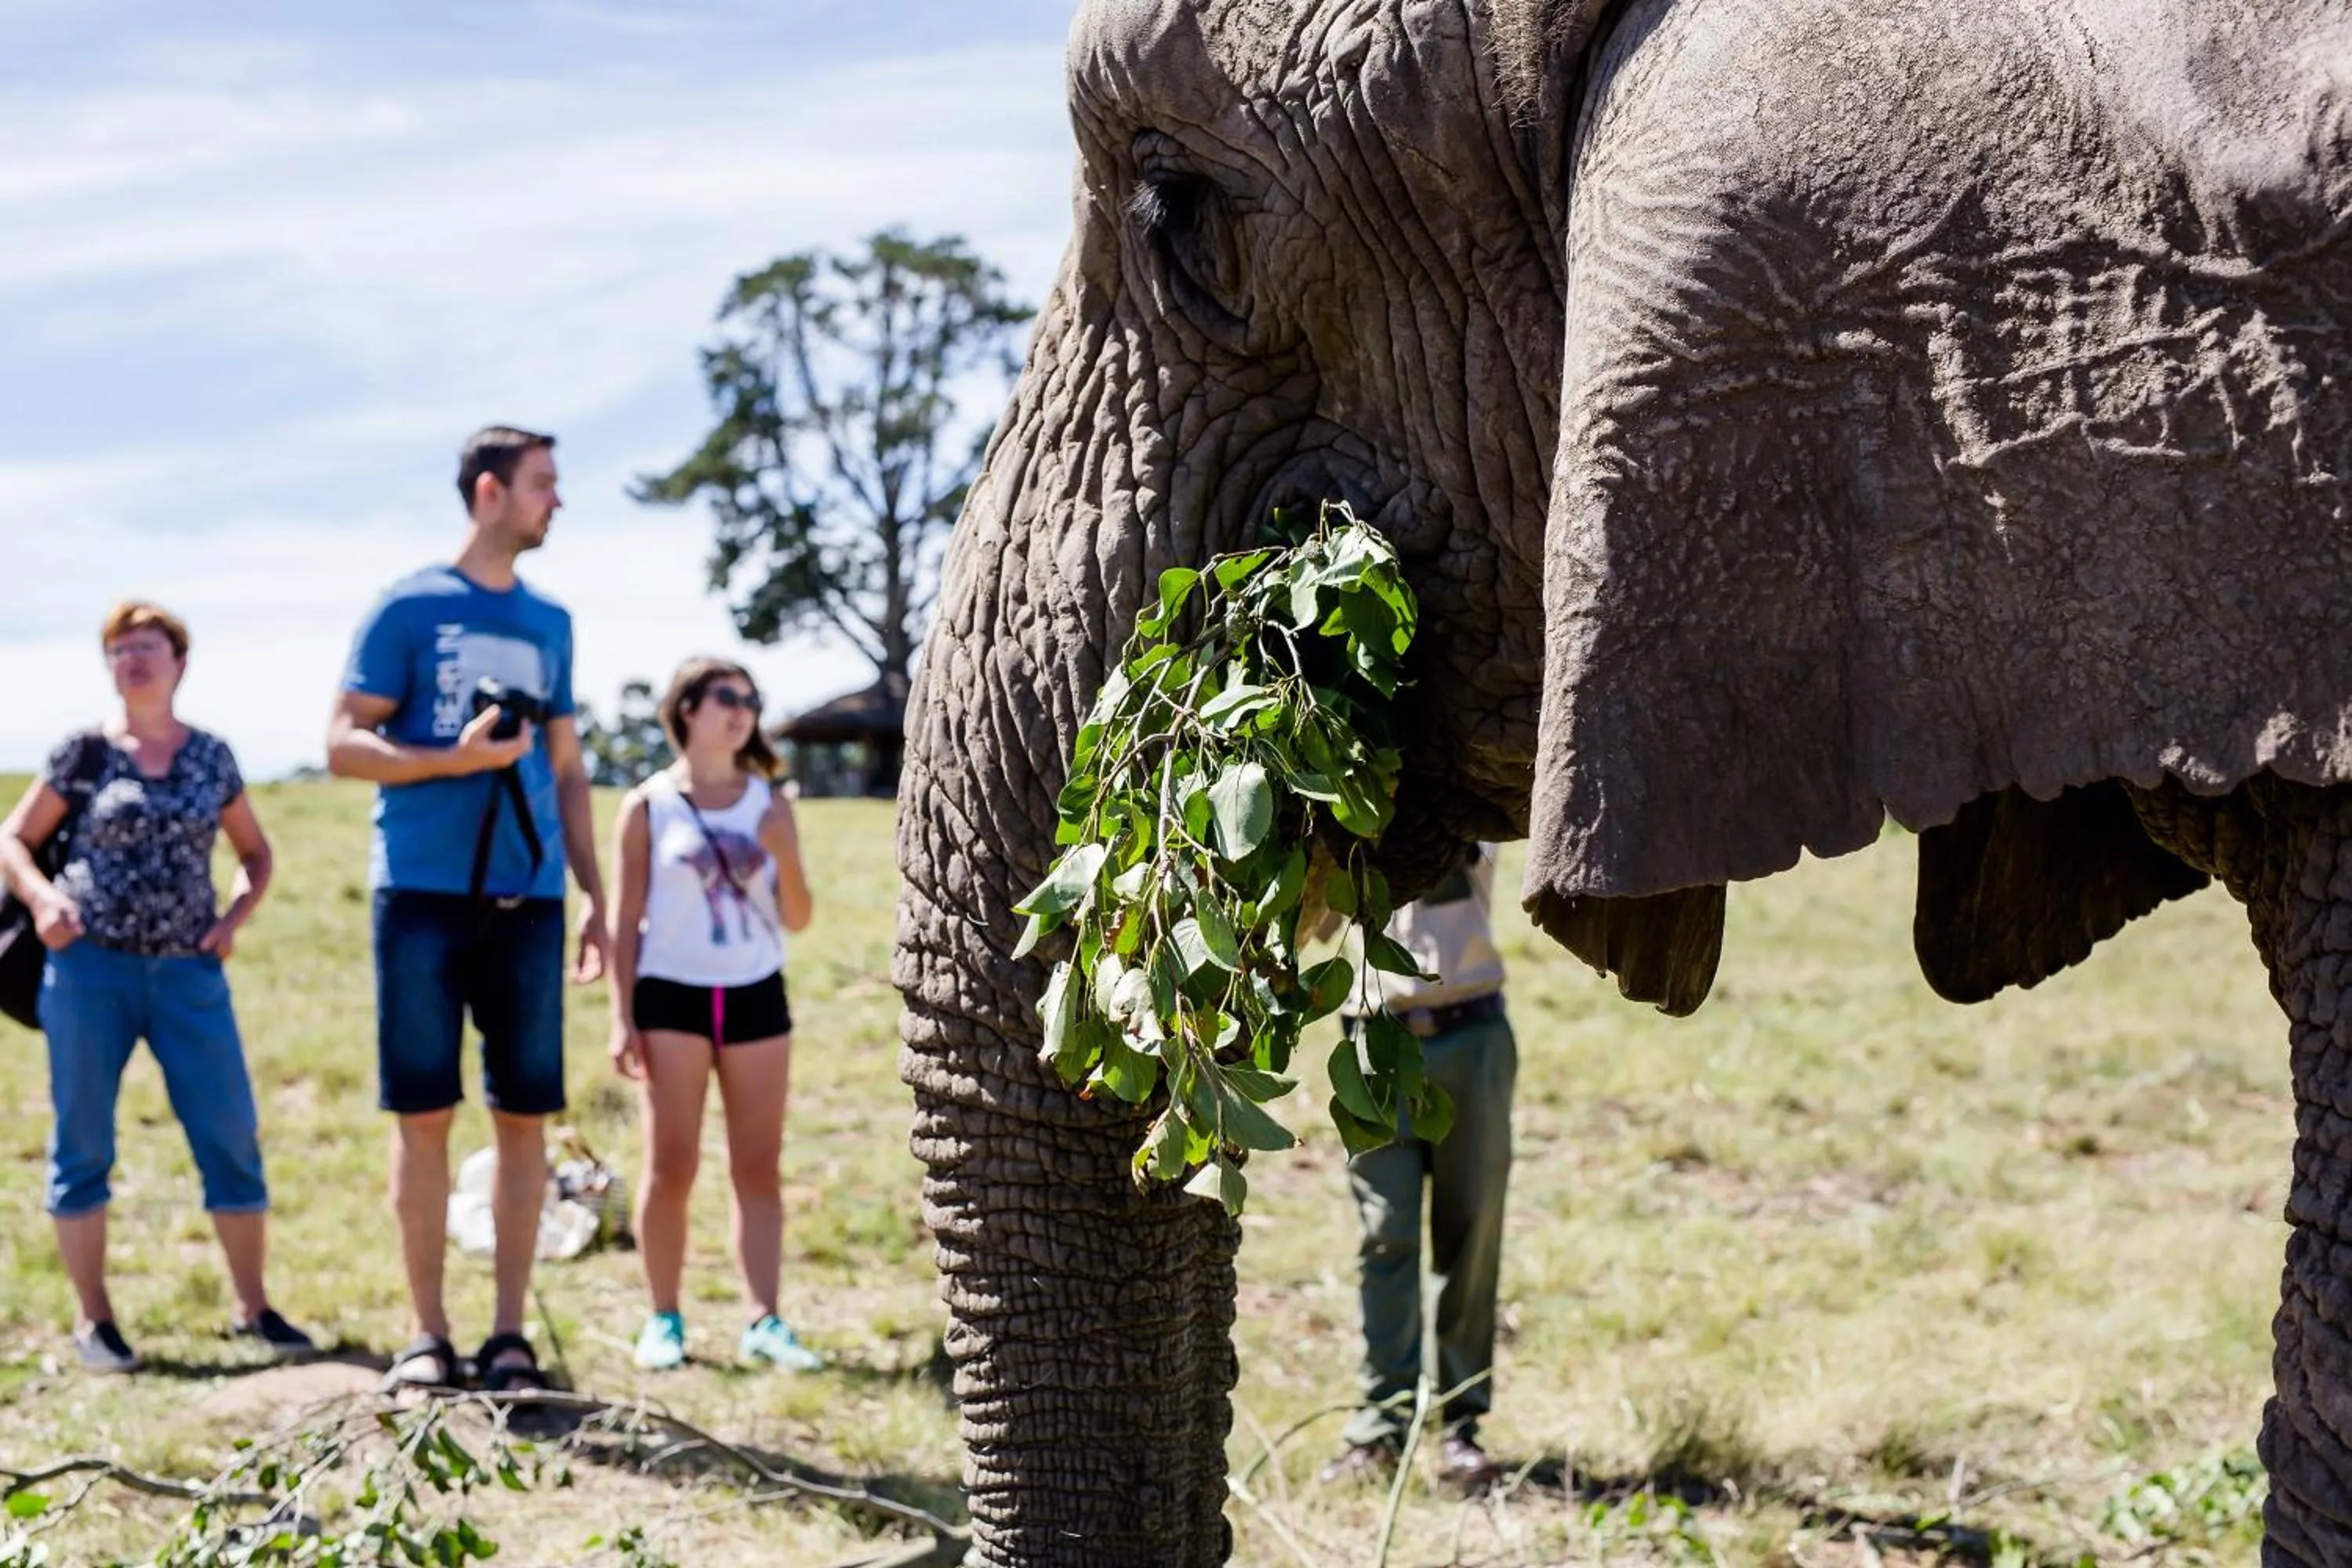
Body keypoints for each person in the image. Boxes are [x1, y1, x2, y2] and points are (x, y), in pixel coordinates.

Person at [325, 426, 608, 1394]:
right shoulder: (408, 607)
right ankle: (426, 1335)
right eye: (543, 485)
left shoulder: (553, 620)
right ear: (490, 492)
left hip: (526, 898)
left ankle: (508, 1336)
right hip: (421, 894)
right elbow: (340, 743)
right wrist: (457, 756)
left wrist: (592, 895)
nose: (556, 503)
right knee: (424, 1117)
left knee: (523, 1118)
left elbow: (568, 770)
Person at [0, 602, 315, 1373]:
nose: (133, 660)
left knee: (230, 1133)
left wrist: (236, 915)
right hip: (88, 969)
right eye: (119, 649)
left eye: (148, 647)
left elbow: (256, 852)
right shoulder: (81, 752)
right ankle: (96, 1320)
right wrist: (43, 900)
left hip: (187, 972)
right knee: (83, 1142)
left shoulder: (211, 755)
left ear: (180, 661)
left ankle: (254, 1307)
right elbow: (15, 836)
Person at [606, 659, 819, 1372]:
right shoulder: (647, 805)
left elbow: (799, 918)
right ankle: (664, 1318)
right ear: (687, 709)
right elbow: (624, 917)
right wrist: (621, 1016)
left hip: (756, 991)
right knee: (672, 1166)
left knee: (758, 1168)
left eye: (752, 700)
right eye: (727, 697)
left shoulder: (769, 803)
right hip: (671, 998)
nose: (742, 711)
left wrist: (784, 852)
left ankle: (765, 1320)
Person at [1320, 843, 1516, 1492]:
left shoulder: (1463, 815)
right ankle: (1380, 1427)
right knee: (1385, 1235)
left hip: (1470, 1036)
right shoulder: (1345, 818)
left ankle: (1460, 1427)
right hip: (1375, 1046)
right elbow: (1311, 923)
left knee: (1470, 1235)